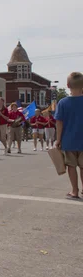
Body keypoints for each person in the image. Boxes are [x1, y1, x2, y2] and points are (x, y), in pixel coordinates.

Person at [55, 72, 83, 200]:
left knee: (71, 166)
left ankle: (74, 191)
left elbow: (59, 123)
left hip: (69, 140)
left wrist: (58, 140)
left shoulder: (62, 102)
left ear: (67, 85)